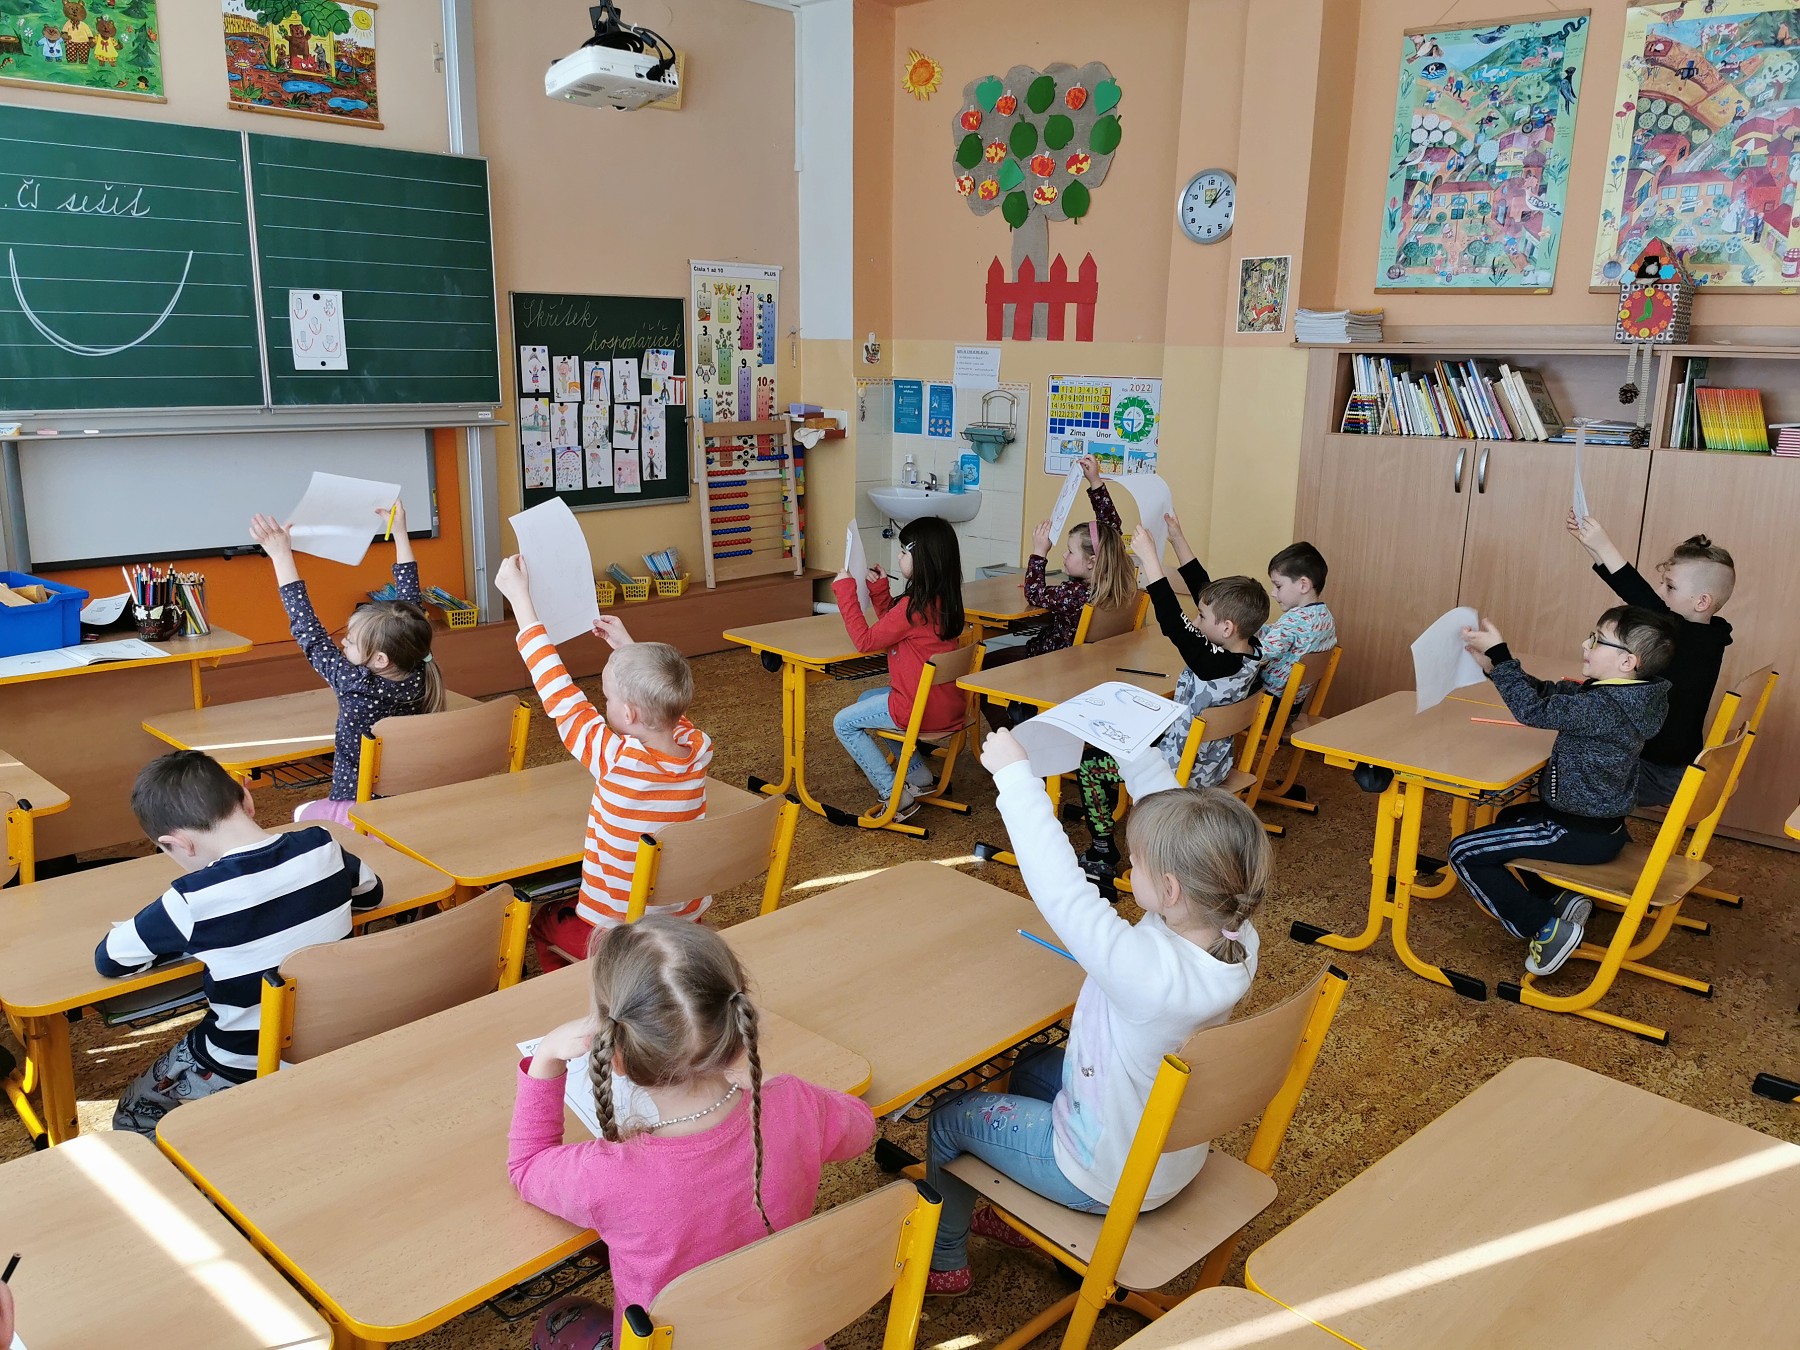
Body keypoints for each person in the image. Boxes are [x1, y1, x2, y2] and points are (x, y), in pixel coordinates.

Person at [923, 730, 1268, 1296]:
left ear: (1171, 889)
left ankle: (944, 1262)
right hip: (1168, 1151)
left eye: (1137, 861)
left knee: (948, 1115)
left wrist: (1016, 779)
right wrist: (1128, 742)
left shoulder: (1145, 973)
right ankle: (1019, 1207)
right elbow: (1184, 828)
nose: (1129, 864)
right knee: (1029, 1063)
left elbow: (1063, 892)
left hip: (1103, 1175)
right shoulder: (1234, 932)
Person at [509, 916, 876, 1343]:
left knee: (558, 1319)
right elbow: (861, 1128)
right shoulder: (794, 1104)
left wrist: (546, 1057)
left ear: (615, 1056)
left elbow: (525, 1166)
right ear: (737, 1033)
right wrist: (773, 1085)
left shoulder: (607, 1173)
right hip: (788, 1335)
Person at [95, 751, 383, 1136]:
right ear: (247, 800)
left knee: (135, 1109)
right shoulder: (321, 845)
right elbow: (372, 894)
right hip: (335, 1037)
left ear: (178, 843)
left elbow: (110, 958)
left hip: (240, 1062)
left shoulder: (190, 900)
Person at [495, 558, 712, 971]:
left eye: (608, 698)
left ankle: (597, 989)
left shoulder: (617, 760)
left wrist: (521, 601)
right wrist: (628, 651)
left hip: (621, 937)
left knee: (544, 921)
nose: (602, 702)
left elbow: (560, 695)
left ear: (628, 714)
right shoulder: (697, 748)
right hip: (683, 924)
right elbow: (667, 708)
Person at [1449, 605, 1677, 977]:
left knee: (1464, 852)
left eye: (1597, 640)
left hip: (1575, 831)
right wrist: (1496, 669)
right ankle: (1559, 898)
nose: (1585, 644)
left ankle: (1546, 928)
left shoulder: (1603, 708)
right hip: (1601, 827)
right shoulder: (1631, 697)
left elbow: (1533, 711)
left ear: (1627, 662)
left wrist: (1501, 656)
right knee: (1510, 816)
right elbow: (1550, 695)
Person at [1075, 521, 1266, 885]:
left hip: (1181, 771)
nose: (1196, 619)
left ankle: (1102, 852)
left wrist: (1150, 559)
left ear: (1226, 628)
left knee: (1091, 763)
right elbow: (1206, 594)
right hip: (1214, 765)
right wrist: (1178, 539)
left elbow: (1174, 624)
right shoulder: (1251, 651)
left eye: (1203, 618)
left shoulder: (1211, 664)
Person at [249, 502, 445, 826]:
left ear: (380, 659)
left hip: (358, 810)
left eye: (351, 641)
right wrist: (401, 534)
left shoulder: (355, 683)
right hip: (411, 801)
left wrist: (281, 556)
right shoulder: (420, 667)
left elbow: (309, 631)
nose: (342, 643)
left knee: (301, 814)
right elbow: (410, 608)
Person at [1567, 514, 1734, 806]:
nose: (1659, 593)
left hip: (1658, 771)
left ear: (1702, 602)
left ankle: (1584, 828)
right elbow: (1644, 598)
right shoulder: (1709, 636)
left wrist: (1603, 546)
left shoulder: (1691, 639)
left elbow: (1641, 598)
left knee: (1567, 760)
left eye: (1670, 587)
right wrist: (1592, 545)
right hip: (1668, 763)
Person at [980, 455, 1134, 730]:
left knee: (980, 666)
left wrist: (1039, 552)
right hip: (1091, 668)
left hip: (1052, 664)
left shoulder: (1073, 594)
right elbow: (1111, 531)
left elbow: (1034, 594)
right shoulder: (1119, 586)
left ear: (1092, 561)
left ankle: (1011, 733)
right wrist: (1095, 482)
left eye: (1070, 551)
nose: (1064, 555)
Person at [832, 515, 966, 821]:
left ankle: (895, 796)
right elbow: (894, 628)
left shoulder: (912, 608)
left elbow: (865, 641)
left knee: (843, 723)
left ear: (923, 560)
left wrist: (846, 592)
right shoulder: (941, 600)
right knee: (867, 699)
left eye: (904, 552)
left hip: (919, 708)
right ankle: (920, 777)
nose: (899, 556)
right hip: (946, 704)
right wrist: (880, 591)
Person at [1257, 541, 1337, 701]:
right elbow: (1279, 633)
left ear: (1303, 585)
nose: (1273, 593)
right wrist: (1255, 629)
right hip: (1294, 702)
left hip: (1269, 700)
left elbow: (1261, 655)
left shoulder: (1294, 619)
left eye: (1278, 586)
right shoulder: (1325, 617)